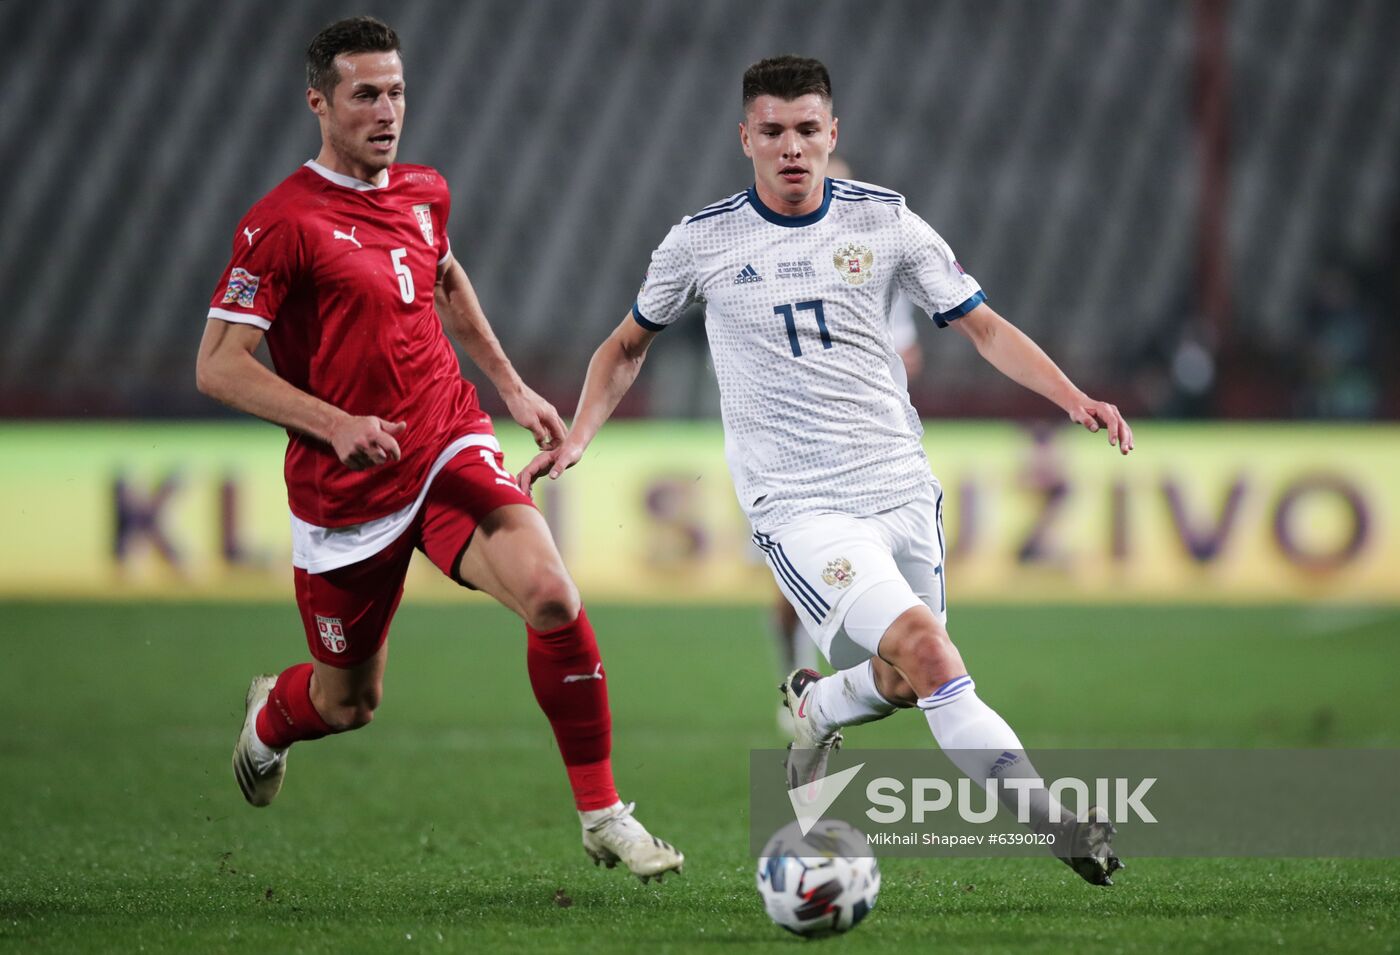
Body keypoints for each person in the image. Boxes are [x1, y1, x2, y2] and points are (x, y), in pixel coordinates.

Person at [520, 55, 1132, 886]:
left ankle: (814, 705)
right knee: (931, 652)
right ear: (746, 139)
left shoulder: (887, 223)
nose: (792, 147)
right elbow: (626, 345)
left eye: (808, 130)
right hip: (800, 505)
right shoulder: (701, 241)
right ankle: (1053, 821)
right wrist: (584, 432)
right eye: (772, 131)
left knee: (905, 679)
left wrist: (1071, 396)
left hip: (901, 488)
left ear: (833, 134)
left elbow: (982, 327)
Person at [195, 16, 681, 883]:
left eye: (398, 92)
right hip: (347, 493)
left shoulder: (423, 192)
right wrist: (334, 424)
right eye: (366, 94)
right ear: (319, 103)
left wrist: (510, 385)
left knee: (553, 598)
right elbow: (218, 367)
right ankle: (272, 717)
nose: (388, 111)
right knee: (349, 703)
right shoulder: (281, 224)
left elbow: (445, 277)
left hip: (444, 436)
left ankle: (604, 814)